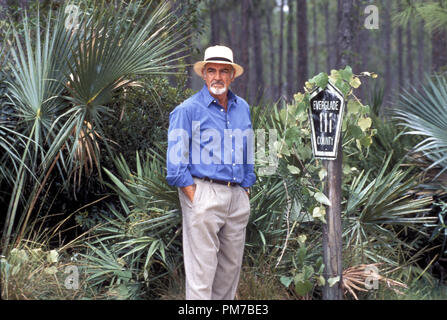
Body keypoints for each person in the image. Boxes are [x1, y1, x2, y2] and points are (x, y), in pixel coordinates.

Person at [166, 45, 256, 300]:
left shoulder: (243, 108)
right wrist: (194, 195)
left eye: (224, 71)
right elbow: (175, 163)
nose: (218, 77)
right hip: (203, 195)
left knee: (229, 273)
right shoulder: (187, 110)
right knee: (201, 274)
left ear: (232, 75)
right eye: (212, 71)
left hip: (237, 198)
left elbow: (248, 149)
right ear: (203, 75)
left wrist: (246, 187)